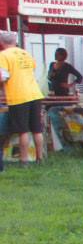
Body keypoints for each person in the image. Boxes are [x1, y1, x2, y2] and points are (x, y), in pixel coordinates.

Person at [0, 31, 46, 165]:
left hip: (18, 95)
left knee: (23, 130)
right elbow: (31, 70)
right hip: (35, 94)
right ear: (15, 41)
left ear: (2, 43)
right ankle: (40, 158)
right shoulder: (26, 54)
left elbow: (3, 76)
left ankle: (24, 160)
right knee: (37, 129)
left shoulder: (3, 55)